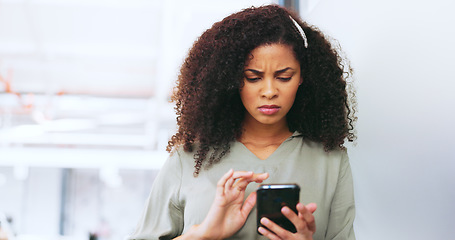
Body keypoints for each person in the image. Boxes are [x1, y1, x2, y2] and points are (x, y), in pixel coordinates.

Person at [129, 4, 357, 240]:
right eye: (253, 78)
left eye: (284, 77)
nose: (269, 91)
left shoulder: (330, 161)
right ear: (230, 79)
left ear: (302, 77)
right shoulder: (188, 158)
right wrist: (202, 235)